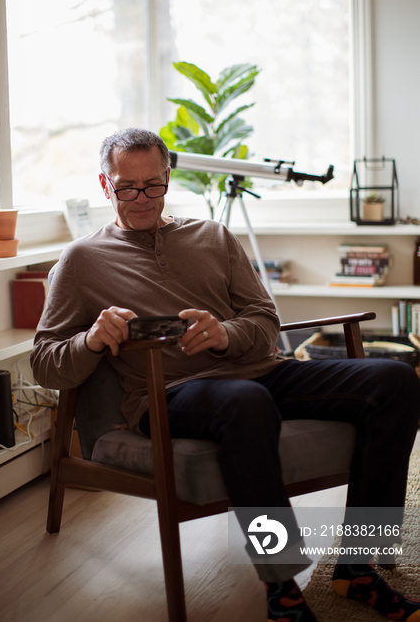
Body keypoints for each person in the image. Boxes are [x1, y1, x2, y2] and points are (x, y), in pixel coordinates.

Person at [31, 128, 420, 622]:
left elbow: (264, 321)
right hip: (169, 393)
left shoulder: (212, 236)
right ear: (106, 187)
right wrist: (89, 340)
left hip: (262, 372)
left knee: (394, 381)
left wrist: (224, 335)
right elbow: (45, 363)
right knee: (243, 401)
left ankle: (357, 566)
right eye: (127, 187)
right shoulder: (82, 261)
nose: (142, 198)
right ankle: (282, 588)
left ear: (168, 178)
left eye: (153, 184)